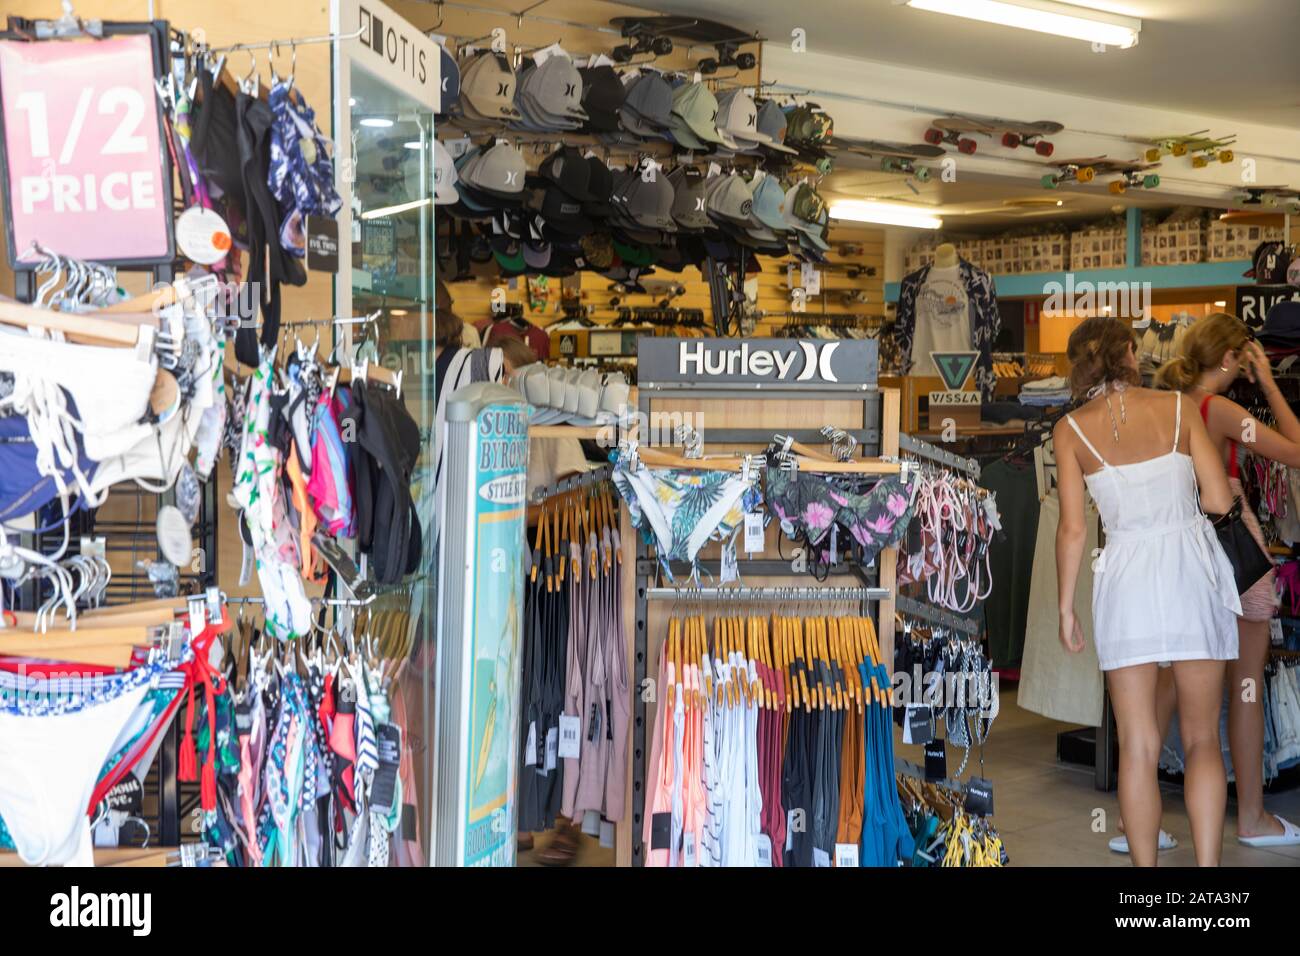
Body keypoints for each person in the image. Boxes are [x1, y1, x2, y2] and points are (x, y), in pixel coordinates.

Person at [1055, 316, 1240, 867]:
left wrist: (1066, 608)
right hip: (1190, 569)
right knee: (1203, 736)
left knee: (1137, 745)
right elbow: (1218, 501)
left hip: (1125, 576)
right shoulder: (1180, 408)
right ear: (1130, 352)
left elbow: (1072, 529)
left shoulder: (1070, 430)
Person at [1137, 312, 1300, 849]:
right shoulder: (1218, 409)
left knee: (1167, 681)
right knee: (1246, 687)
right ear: (1231, 359)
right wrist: (1271, 385)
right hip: (1232, 548)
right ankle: (1251, 817)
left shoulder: (1165, 405)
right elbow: (1296, 450)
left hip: (1181, 549)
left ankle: (1135, 819)